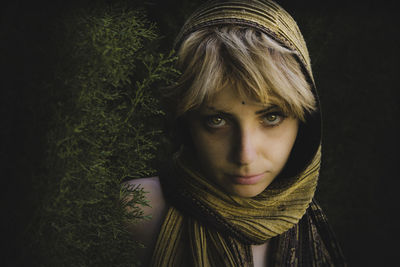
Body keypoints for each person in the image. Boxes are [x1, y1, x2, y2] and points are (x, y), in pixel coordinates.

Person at [126, 0, 346, 266]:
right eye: (217, 120)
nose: (245, 155)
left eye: (271, 117)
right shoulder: (140, 210)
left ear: (305, 120)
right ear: (186, 123)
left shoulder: (320, 224)